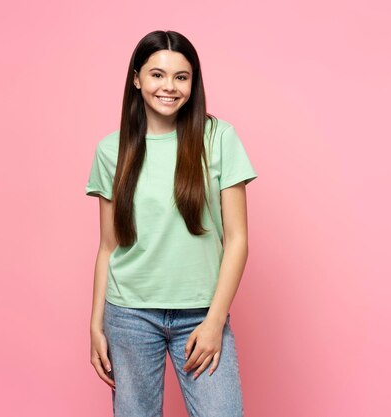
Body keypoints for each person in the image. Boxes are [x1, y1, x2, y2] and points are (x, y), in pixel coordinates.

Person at [85, 30, 257, 417]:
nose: (170, 87)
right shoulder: (110, 150)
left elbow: (238, 239)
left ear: (193, 83)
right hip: (129, 314)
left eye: (181, 77)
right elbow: (108, 247)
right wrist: (95, 324)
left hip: (200, 313)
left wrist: (214, 322)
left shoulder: (218, 138)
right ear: (136, 78)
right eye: (157, 74)